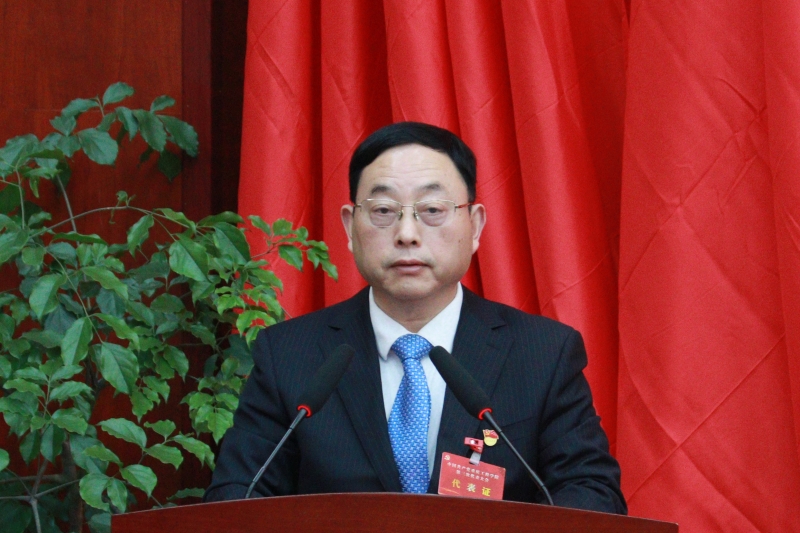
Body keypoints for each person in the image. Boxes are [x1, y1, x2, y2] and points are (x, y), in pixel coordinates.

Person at [204, 122, 626, 513]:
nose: (407, 234)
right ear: (350, 227)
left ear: (475, 225)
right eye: (384, 210)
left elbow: (592, 496)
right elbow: (237, 499)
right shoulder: (289, 355)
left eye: (433, 209)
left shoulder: (543, 354)